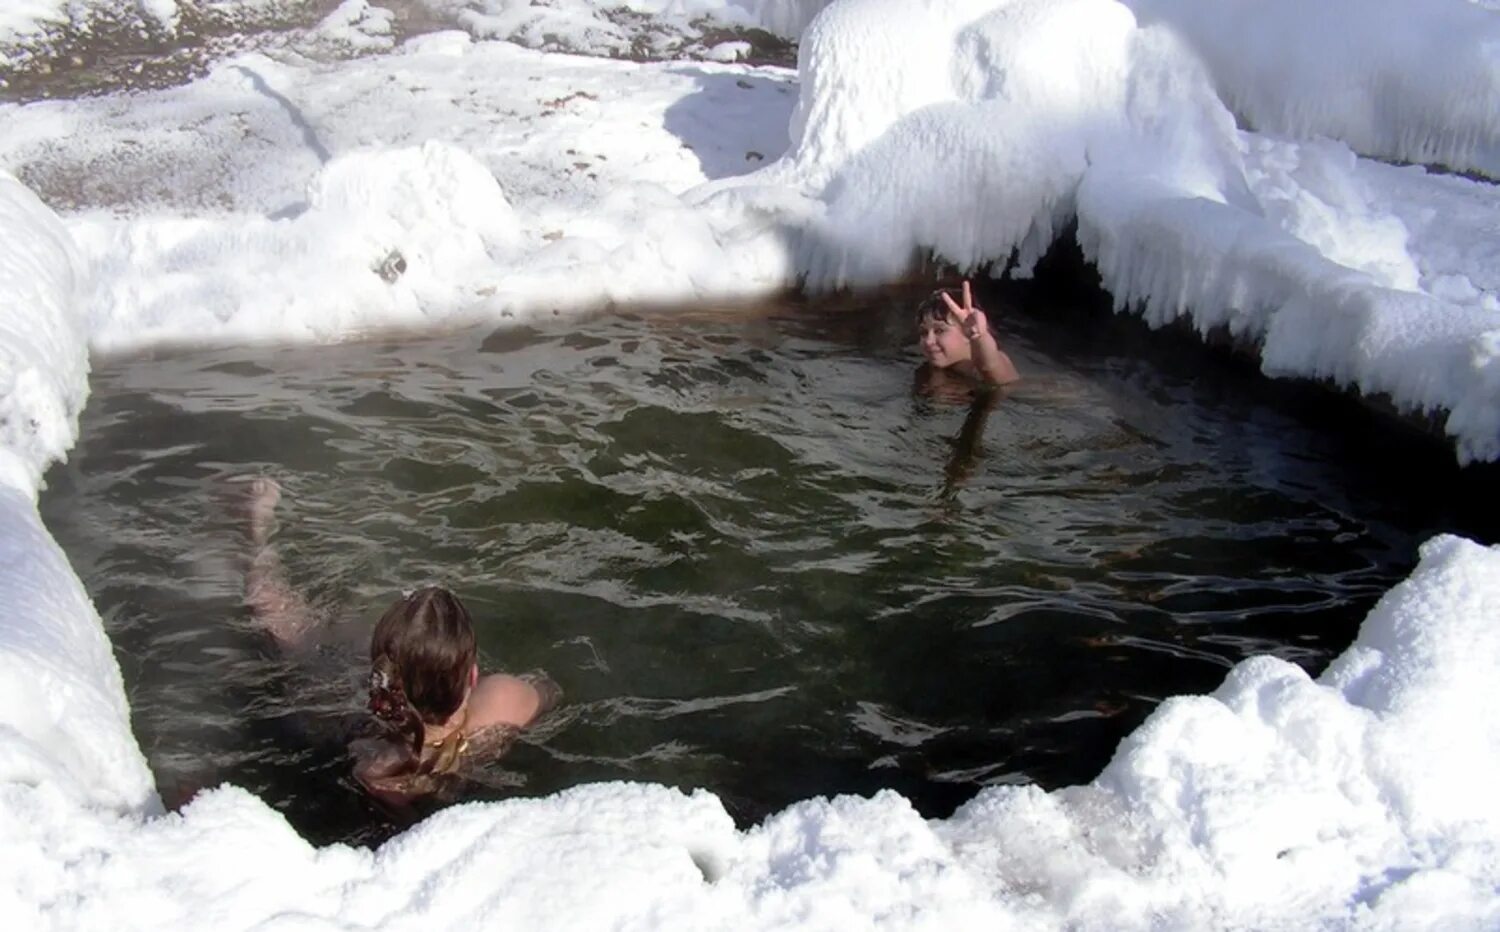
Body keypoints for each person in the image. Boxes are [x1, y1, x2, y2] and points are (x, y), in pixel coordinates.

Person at [242, 477, 559, 804]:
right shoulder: (502, 701)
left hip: (338, 724)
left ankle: (258, 532)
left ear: (379, 680)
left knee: (300, 632)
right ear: (473, 676)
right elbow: (550, 690)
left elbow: (270, 605)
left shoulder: (373, 764)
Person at [915, 279, 1020, 388]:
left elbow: (992, 370)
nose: (928, 341)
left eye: (939, 331)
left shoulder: (972, 369)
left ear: (967, 334)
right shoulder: (944, 365)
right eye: (923, 332)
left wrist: (979, 337)